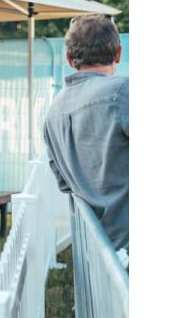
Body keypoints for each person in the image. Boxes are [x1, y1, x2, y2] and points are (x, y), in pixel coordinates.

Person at [43, 14, 129, 259]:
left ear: (69, 59)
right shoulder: (123, 92)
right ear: (119, 54)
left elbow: (64, 184)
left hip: (94, 253)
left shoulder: (52, 115)